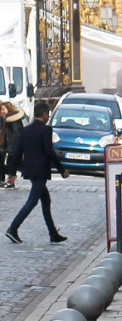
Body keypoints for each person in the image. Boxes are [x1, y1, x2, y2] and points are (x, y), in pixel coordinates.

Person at [5, 102, 68, 244]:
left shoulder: (26, 130)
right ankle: (13, 228)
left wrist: (12, 173)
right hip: (40, 172)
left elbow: (17, 152)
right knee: (32, 201)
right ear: (45, 114)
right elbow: (49, 152)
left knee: (45, 200)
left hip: (30, 170)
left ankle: (53, 233)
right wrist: (62, 170)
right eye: (48, 114)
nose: (48, 117)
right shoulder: (46, 130)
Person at [1, 100, 26, 189]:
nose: (2, 112)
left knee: (13, 165)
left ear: (8, 109)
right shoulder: (9, 118)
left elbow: (16, 134)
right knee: (13, 165)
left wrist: (12, 147)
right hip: (14, 147)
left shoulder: (12, 120)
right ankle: (10, 182)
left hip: (14, 147)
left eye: (3, 109)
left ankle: (10, 182)